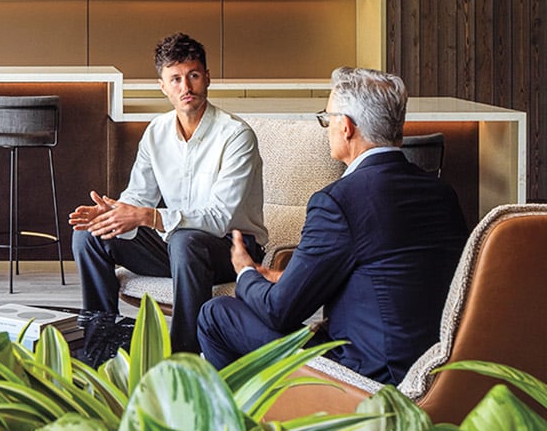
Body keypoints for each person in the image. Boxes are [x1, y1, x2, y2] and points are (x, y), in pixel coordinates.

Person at [196, 66, 468, 383]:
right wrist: (281, 277)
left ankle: (248, 423)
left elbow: (280, 312)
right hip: (437, 372)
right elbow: (386, 275)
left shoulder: (338, 201)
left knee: (216, 314)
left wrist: (244, 272)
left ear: (347, 127)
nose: (326, 127)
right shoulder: (441, 192)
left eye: (327, 118)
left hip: (367, 377)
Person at [69, 32, 266, 356]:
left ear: (207, 78)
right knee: (90, 236)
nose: (185, 87)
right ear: (163, 86)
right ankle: (101, 346)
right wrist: (113, 213)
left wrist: (149, 216)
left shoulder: (236, 135)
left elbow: (219, 217)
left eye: (193, 76)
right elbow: (139, 196)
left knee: (184, 239)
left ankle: (182, 356)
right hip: (176, 248)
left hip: (233, 250)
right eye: (175, 79)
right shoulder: (156, 133)